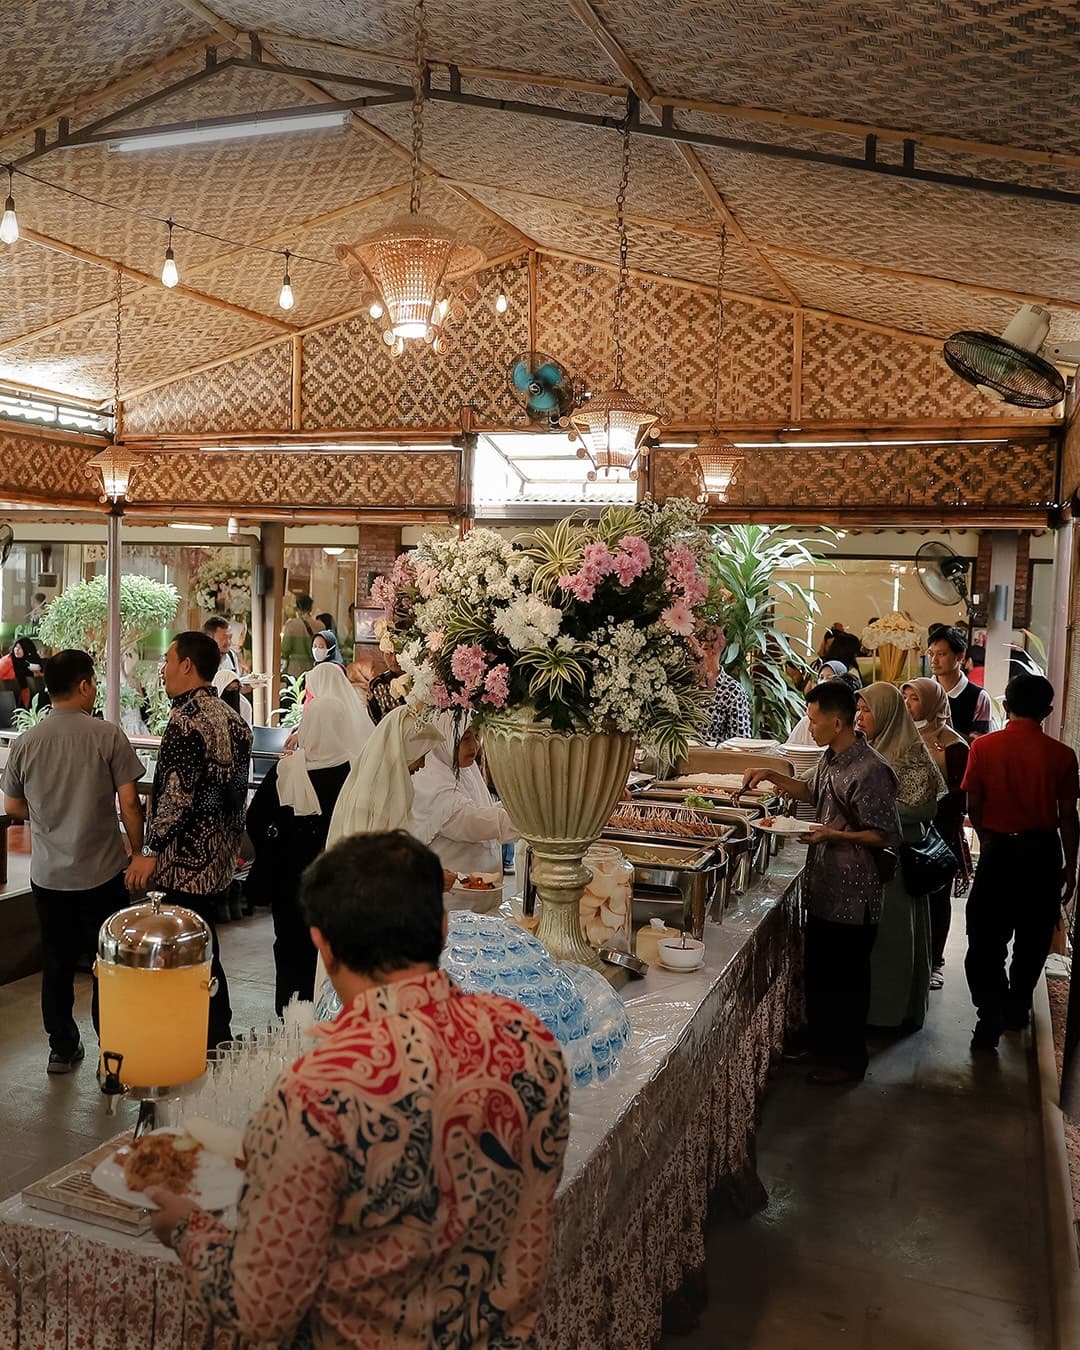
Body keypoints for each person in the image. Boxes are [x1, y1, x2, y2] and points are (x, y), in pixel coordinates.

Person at [146, 831, 570, 1348]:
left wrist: (187, 1228)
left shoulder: (316, 1093)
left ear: (321, 943)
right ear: (441, 929)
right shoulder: (529, 1040)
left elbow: (259, 1310)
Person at [743, 682, 900, 1085]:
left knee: (846, 982)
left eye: (813, 720)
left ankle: (848, 1063)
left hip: (855, 893)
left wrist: (833, 836)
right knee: (823, 974)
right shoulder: (831, 758)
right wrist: (771, 775)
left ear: (836, 720)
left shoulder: (870, 769)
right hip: (825, 886)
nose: (809, 727)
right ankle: (824, 1047)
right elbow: (808, 789)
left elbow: (884, 834)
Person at [2, 650, 145, 1073]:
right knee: (108, 962)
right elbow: (131, 804)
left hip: (48, 876)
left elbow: (12, 804)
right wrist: (138, 852)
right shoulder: (107, 735)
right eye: (94, 682)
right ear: (83, 685)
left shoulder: (27, 741)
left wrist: (48, 812)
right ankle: (112, 1052)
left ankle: (62, 1048)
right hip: (102, 872)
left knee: (57, 961)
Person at [124, 631, 252, 1049]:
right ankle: (217, 1031)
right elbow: (235, 792)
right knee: (205, 942)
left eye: (167, 659)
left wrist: (148, 851)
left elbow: (176, 796)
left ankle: (198, 1035)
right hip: (219, 855)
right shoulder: (233, 718)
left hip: (184, 860)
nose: (162, 669)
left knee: (185, 950)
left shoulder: (185, 720)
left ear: (187, 666)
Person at [246, 662, 373, 1012]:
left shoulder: (286, 770)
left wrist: (278, 847)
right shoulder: (353, 773)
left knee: (290, 951)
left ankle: (290, 1018)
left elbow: (256, 818)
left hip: (291, 886)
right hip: (339, 886)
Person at [963, 674, 1079, 1052]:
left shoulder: (983, 749)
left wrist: (989, 838)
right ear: (1047, 711)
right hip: (1042, 854)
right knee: (1032, 939)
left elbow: (973, 807)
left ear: (1006, 706)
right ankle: (1015, 1007)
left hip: (998, 853)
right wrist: (1070, 868)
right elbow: (1067, 818)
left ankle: (989, 1013)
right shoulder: (1062, 756)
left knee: (985, 938)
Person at [857, 683, 945, 1033]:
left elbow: (925, 807)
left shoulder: (911, 754)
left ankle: (890, 1013)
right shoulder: (867, 748)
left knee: (893, 940)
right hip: (869, 856)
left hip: (895, 860)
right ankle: (870, 1011)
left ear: (887, 713)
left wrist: (874, 808)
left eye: (867, 711)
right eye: (859, 710)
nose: (860, 718)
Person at [902, 677, 971, 990]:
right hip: (905, 829)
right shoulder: (899, 734)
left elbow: (961, 794)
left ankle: (936, 961)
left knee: (937, 897)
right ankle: (912, 958)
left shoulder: (954, 744)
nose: (907, 705)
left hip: (938, 833)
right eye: (904, 698)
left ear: (931, 703)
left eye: (914, 699)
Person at [412, 716, 516, 881]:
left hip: (480, 893)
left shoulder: (465, 768)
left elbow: (483, 809)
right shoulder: (428, 778)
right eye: (465, 738)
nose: (474, 746)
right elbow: (470, 823)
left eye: (476, 736)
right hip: (453, 897)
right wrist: (527, 819)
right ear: (443, 738)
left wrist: (520, 807)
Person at [928, 626, 991, 739]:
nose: (934, 660)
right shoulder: (921, 690)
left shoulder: (978, 696)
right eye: (931, 654)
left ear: (960, 655)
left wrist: (943, 728)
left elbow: (978, 743)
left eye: (941, 654)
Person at [698, 626, 752, 744]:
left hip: (715, 759)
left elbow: (741, 742)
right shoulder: (685, 684)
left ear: (712, 650)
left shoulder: (733, 691)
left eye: (700, 647)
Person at [0, 635, 44, 708]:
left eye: (20, 648)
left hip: (23, 697)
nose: (16, 650)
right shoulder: (7, 661)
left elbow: (39, 676)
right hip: (6, 695)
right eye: (16, 647)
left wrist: (37, 672)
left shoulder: (28, 661)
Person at [366, 650, 406, 725]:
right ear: (382, 655)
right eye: (388, 654)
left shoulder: (419, 680)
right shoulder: (377, 684)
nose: (394, 659)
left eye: (398, 653)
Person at [281, 594, 317, 678]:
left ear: (297, 608)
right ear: (311, 608)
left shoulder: (291, 625)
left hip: (295, 670)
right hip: (313, 670)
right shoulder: (319, 626)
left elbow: (285, 649)